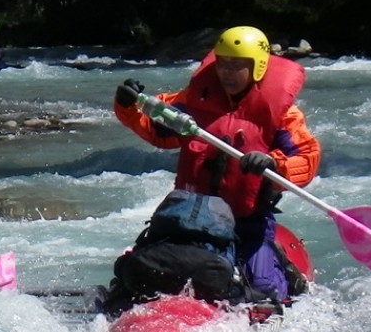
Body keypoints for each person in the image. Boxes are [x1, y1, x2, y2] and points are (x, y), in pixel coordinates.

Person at [113, 25, 319, 302]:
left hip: (246, 223)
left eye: (237, 66)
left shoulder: (282, 116)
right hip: (190, 218)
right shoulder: (194, 101)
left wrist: (274, 164)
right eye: (223, 64)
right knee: (134, 277)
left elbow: (306, 157)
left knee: (264, 290)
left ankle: (283, 270)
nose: (227, 73)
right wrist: (128, 105)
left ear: (257, 67)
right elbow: (156, 129)